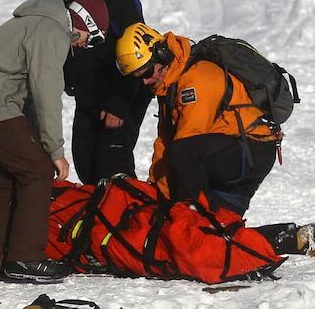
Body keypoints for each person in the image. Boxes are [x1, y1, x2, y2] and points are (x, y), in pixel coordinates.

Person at [0, 0, 109, 283]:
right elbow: (47, 94)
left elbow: (31, 99)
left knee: (6, 180)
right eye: (93, 38)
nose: (86, 46)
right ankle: (26, 258)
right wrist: (54, 150)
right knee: (37, 173)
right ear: (85, 22)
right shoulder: (52, 31)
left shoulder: (37, 22)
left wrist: (39, 140)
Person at [115, 23, 280, 216]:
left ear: (162, 54)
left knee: (184, 159)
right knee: (219, 230)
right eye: (137, 77)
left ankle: (188, 217)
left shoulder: (194, 82)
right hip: (232, 149)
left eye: (147, 72)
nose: (145, 81)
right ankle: (291, 238)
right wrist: (153, 190)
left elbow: (186, 145)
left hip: (251, 149)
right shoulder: (170, 83)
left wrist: (167, 205)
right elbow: (164, 142)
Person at [41, 0, 153, 184]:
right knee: (85, 162)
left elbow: (136, 50)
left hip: (124, 88)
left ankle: (127, 210)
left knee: (112, 163)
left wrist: (118, 104)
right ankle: (98, 213)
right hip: (88, 92)